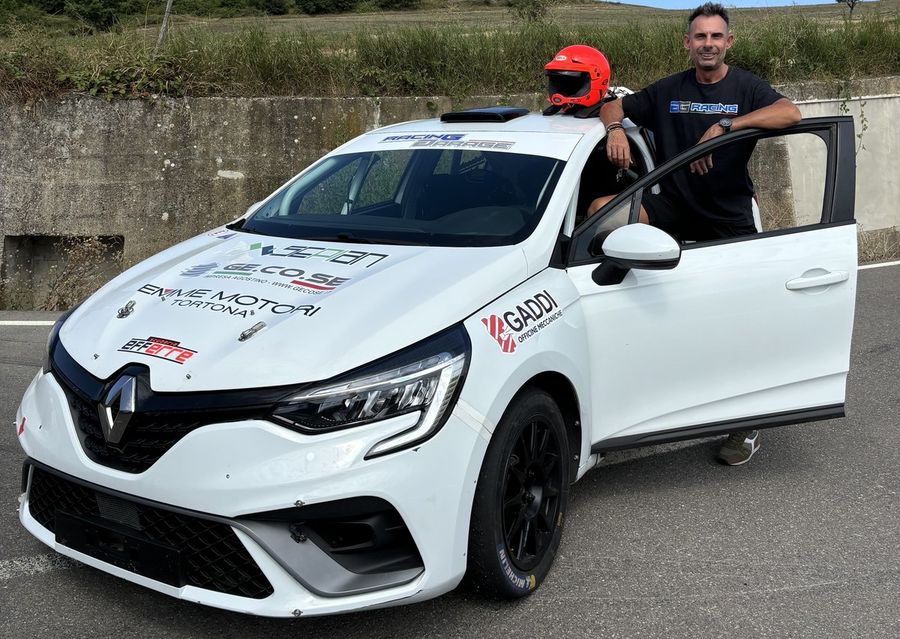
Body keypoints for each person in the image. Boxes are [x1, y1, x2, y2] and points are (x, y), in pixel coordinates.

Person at [589, 2, 802, 465]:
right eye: (700, 36)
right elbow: (613, 104)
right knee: (601, 213)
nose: (708, 44)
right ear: (687, 43)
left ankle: (745, 423)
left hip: (728, 217)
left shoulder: (746, 88)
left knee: (739, 325)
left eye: (716, 36)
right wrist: (615, 130)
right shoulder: (669, 89)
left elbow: (791, 113)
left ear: (729, 42)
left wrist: (727, 125)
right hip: (675, 208)